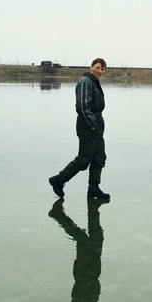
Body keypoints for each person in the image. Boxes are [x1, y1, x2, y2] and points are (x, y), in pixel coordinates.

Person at [49, 58, 110, 200]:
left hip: (97, 125)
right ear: (91, 67)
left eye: (102, 69)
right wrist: (93, 125)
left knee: (99, 157)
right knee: (84, 158)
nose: (100, 71)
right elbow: (82, 107)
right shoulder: (85, 82)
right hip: (87, 125)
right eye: (97, 67)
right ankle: (58, 180)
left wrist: (98, 125)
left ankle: (93, 188)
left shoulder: (94, 82)